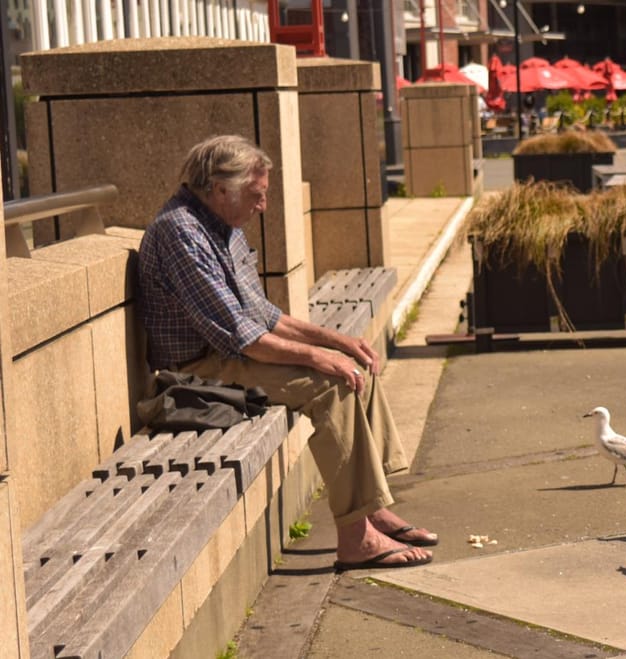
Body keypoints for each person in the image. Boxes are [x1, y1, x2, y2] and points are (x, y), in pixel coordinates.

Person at [137, 135, 437, 571]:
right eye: (257, 195)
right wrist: (318, 359)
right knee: (333, 385)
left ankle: (372, 509)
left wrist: (336, 342)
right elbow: (244, 338)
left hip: (230, 352)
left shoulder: (224, 225)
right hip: (193, 371)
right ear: (222, 189)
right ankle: (356, 539)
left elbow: (264, 314)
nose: (264, 206)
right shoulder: (181, 233)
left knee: (356, 367)